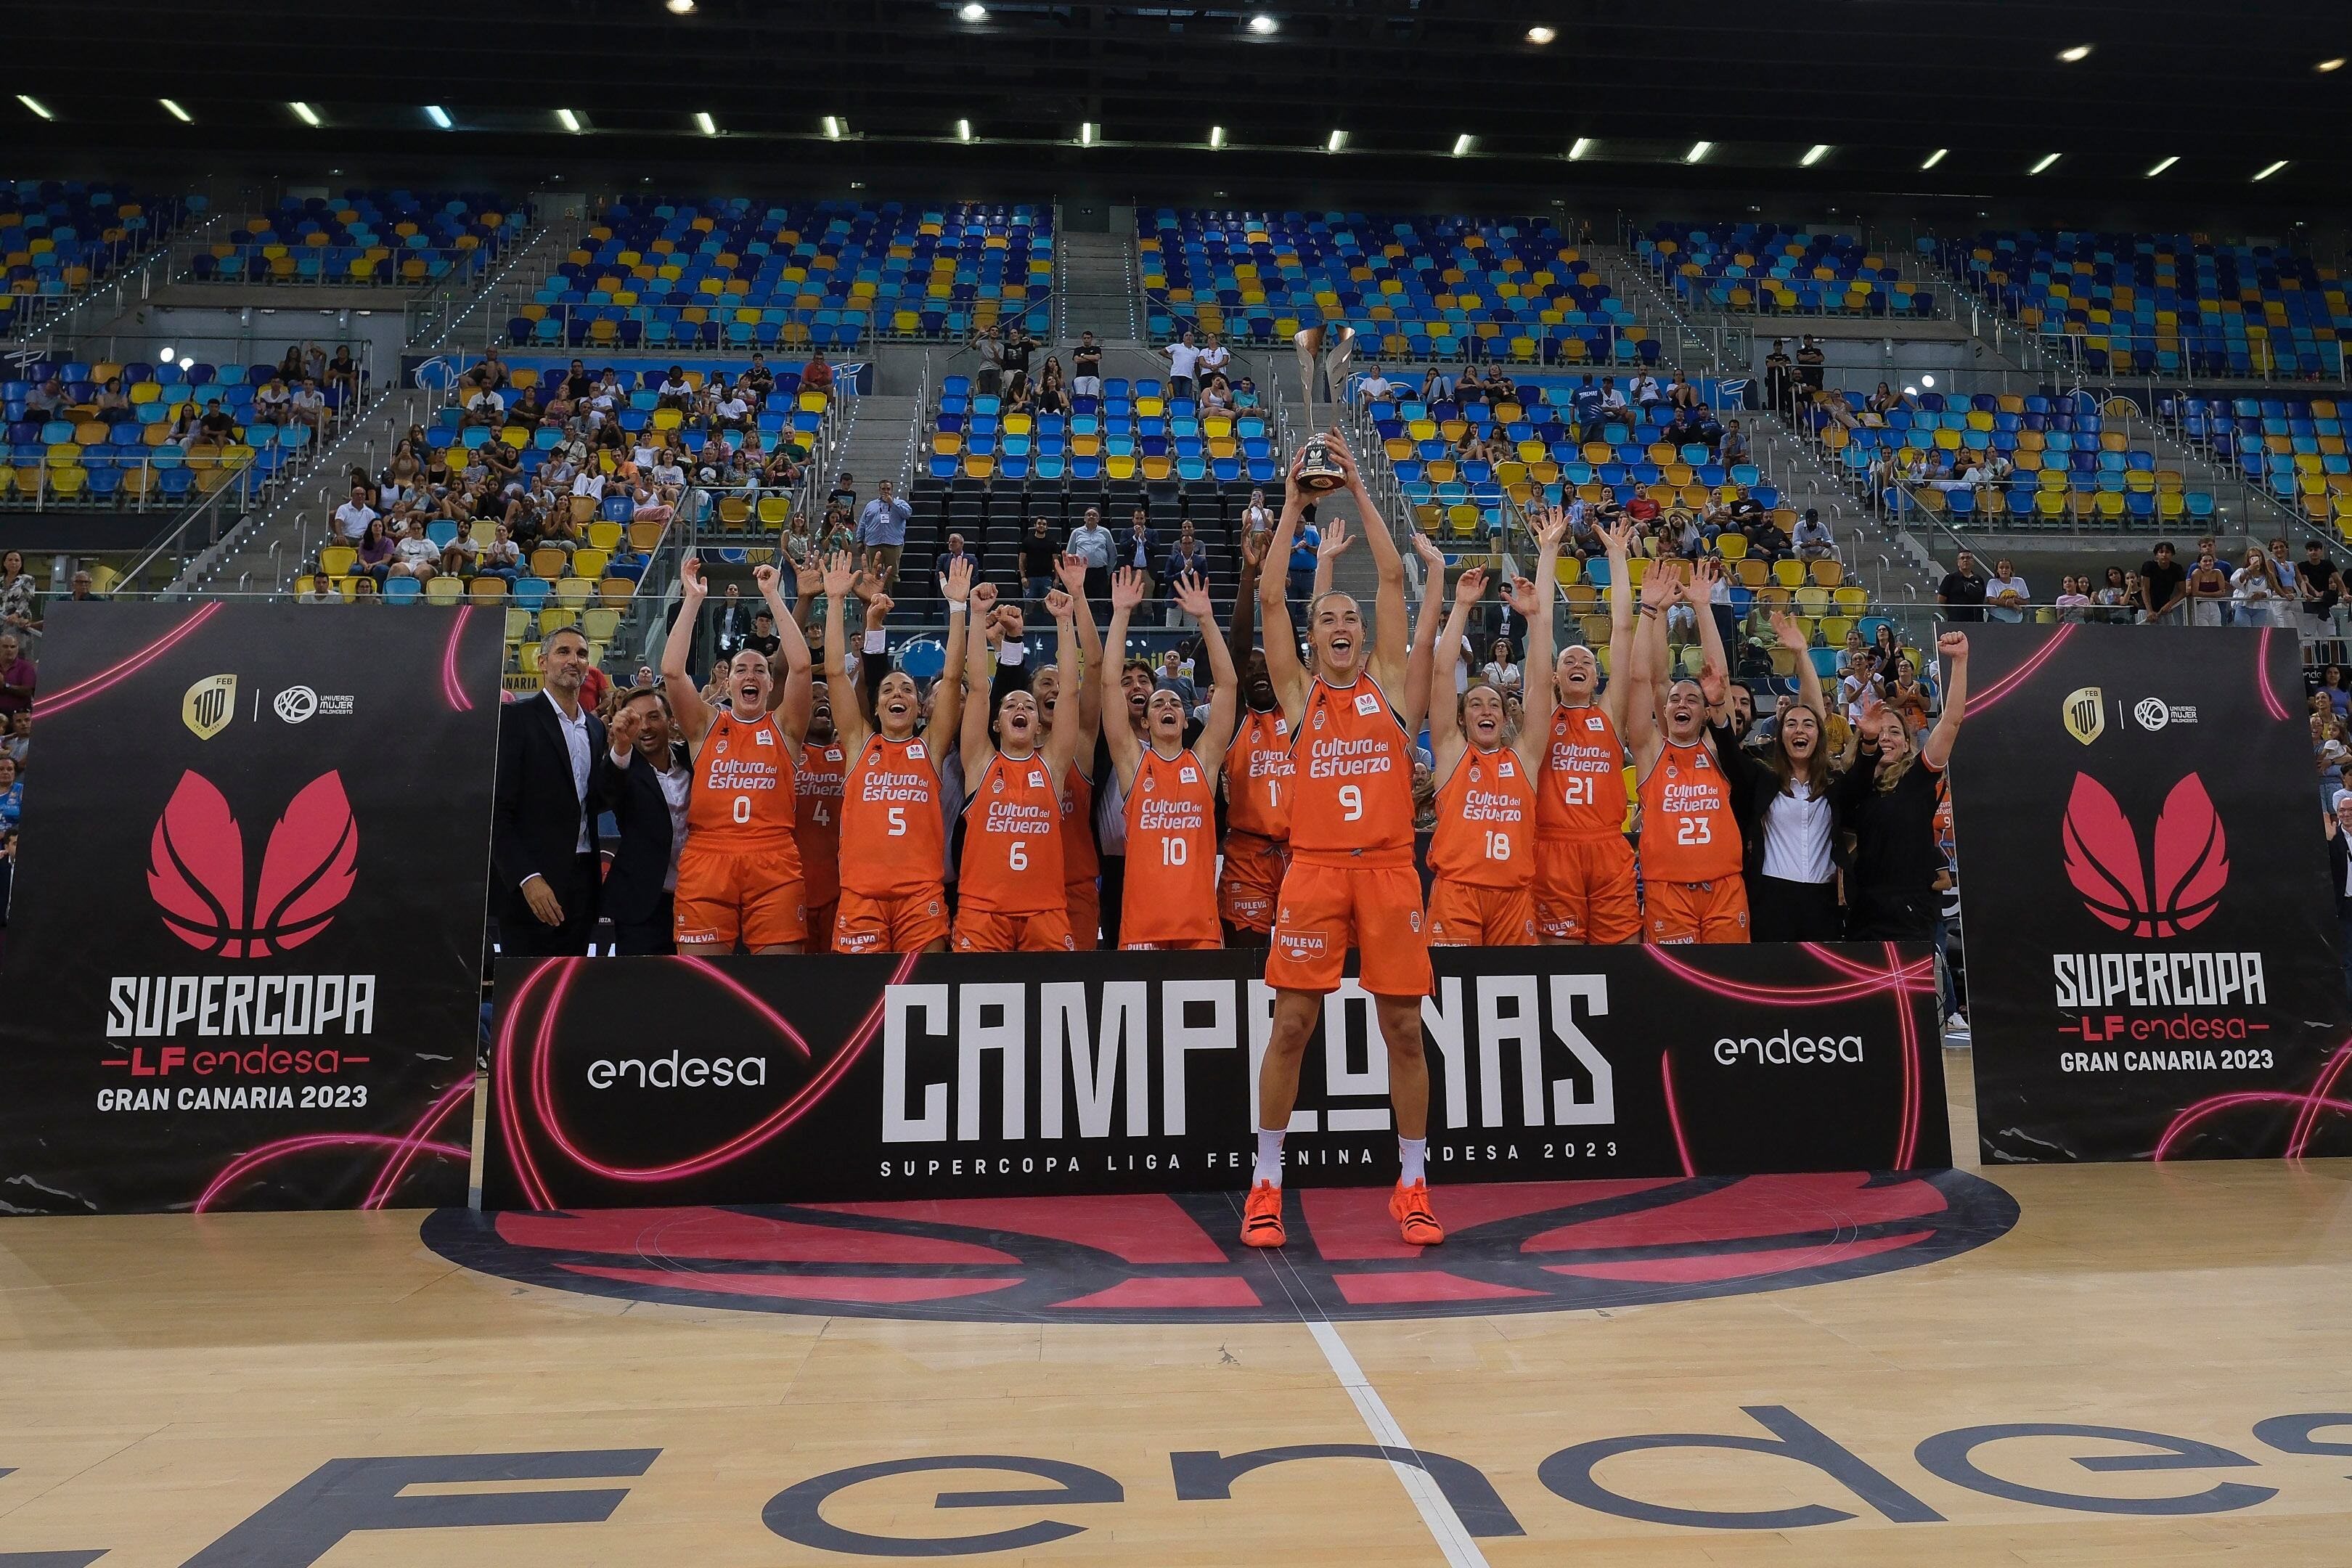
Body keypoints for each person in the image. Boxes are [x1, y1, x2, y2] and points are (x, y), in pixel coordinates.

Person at [1248, 431, 1441, 1251]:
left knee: (1403, 1030)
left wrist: (1357, 485)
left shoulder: (1392, 689)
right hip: (1316, 874)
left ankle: (1413, 1183)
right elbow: (1267, 602)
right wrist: (1295, 503)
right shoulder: (1296, 698)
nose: (1336, 621)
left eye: (1346, 615)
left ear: (1361, 636)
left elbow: (1394, 575)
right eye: (1324, 615)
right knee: (1291, 1026)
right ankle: (1265, 1183)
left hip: (1392, 872)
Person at [1424, 511, 1564, 946]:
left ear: (1506, 719)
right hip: (1456, 896)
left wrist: (1538, 616)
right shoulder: (1451, 752)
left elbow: (1541, 683)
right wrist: (1462, 607)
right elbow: (1442, 674)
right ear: (1464, 718)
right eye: (1476, 704)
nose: (1485, 709)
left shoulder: (1523, 758)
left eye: (1495, 705)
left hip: (1513, 899)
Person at [661, 558, 814, 954]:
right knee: (703, 987)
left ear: (768, 682)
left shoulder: (786, 727)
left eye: (760, 670)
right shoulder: (704, 725)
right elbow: (673, 672)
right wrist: (693, 600)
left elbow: (800, 666)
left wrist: (772, 595)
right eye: (741, 669)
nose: (751, 675)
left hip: (773, 855)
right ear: (727, 681)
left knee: (779, 988)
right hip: (708, 854)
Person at [823, 555, 971, 953]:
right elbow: (836, 673)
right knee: (859, 1009)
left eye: (906, 688)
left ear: (920, 706)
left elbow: (954, 677)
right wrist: (835, 601)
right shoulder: (858, 743)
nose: (897, 694)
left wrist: (958, 607)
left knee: (925, 1007)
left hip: (921, 897)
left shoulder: (931, 748)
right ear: (875, 707)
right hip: (860, 897)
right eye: (888, 689)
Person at [1101, 566, 1236, 948]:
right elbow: (1110, 684)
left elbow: (1227, 686)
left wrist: (1206, 619)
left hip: (1198, 926)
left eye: (1175, 702)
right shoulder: (1132, 762)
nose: (1168, 706)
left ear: (1184, 716)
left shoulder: (1204, 760)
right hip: (1144, 926)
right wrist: (1122, 614)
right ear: (1145, 718)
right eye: (1159, 702)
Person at [953, 565, 1085, 952]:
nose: (1020, 708)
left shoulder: (1053, 764)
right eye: (1011, 704)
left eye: (1028, 704)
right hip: (982, 912)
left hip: (1044, 911)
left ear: (1038, 725)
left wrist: (1065, 620)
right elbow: (978, 687)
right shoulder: (979, 762)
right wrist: (976, 617)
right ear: (997, 723)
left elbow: (1070, 696)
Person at [1624, 561, 1748, 942]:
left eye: (1692, 698)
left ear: (1706, 712)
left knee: (1729, 992)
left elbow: (1719, 681)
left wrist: (1703, 607)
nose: (1682, 702)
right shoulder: (1649, 751)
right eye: (1675, 698)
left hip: (1724, 890)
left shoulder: (1716, 748)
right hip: (1668, 892)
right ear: (1663, 712)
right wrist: (1650, 612)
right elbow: (1642, 678)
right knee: (1675, 997)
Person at [1534, 513, 1640, 944]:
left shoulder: (1610, 715)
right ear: (1554, 678)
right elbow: (1541, 628)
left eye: (1587, 663)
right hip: (1554, 847)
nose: (1578, 665)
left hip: (1608, 847)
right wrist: (1547, 552)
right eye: (1568, 662)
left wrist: (1617, 558)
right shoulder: (1541, 717)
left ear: (1597, 678)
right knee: (1560, 964)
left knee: (1625, 958)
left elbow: (1622, 628)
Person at [1718, 612, 1844, 940]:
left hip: (1822, 897)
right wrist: (1718, 704)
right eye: (1790, 724)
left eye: (1807, 727)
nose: (1800, 731)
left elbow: (1813, 713)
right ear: (1778, 734)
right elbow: (1728, 739)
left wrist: (1802, 655)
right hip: (1769, 896)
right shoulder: (1762, 771)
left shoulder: (1831, 780)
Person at [1840, 633, 1971, 943]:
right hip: (1863, 917)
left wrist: (1960, 661)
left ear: (1907, 743)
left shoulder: (1917, 779)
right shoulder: (1852, 788)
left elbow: (1952, 721)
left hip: (1913, 915)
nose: (1886, 737)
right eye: (1879, 732)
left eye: (1895, 732)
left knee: (1920, 993)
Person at [490, 627, 608, 957]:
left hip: (583, 881)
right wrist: (527, 878)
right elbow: (498, 812)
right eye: (564, 652)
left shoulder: (596, 728)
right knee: (528, 992)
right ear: (542, 662)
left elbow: (592, 802)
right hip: (533, 884)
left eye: (582, 654)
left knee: (570, 990)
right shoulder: (515, 719)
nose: (574, 661)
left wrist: (621, 757)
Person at [1220, 528, 1294, 947]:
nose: (1260, 676)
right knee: (1244, 963)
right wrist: (1250, 575)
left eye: (1267, 671)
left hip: (1300, 854)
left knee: (1309, 962)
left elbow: (1288, 650)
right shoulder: (1234, 722)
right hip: (1248, 856)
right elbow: (1239, 650)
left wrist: (1273, 582)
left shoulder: (1299, 713)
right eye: (1252, 673)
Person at [592, 686, 692, 955]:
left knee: (696, 989)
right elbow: (602, 796)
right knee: (643, 991)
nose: (645, 727)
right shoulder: (622, 767)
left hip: (697, 899)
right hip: (643, 905)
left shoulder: (693, 760)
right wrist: (621, 747)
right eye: (637, 720)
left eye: (654, 717)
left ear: (671, 721)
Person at [794, 670, 848, 955]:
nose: (822, 701)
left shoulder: (851, 754)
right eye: (814, 697)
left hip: (841, 890)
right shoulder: (787, 752)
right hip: (793, 888)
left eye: (827, 697)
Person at [856, 480, 910, 586]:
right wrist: (859, 539)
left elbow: (907, 514)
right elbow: (863, 522)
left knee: (893, 574)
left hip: (894, 544)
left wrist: (892, 503)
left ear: (892, 490)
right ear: (879, 490)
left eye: (888, 489)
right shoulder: (870, 505)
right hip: (873, 543)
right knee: (874, 574)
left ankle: (893, 600)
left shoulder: (901, 503)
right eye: (883, 489)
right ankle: (874, 600)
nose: (886, 491)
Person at [2324, 791, 2352, 1003]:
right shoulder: (2333, 839)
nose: (2345, 815)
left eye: (2350, 811)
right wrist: (2329, 842)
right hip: (2345, 906)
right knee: (2347, 960)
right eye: (2342, 811)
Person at [2140, 541, 2189, 624]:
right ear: (2156, 555)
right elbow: (2145, 589)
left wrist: (2169, 605)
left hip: (2165, 610)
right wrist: (2150, 611)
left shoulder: (2177, 568)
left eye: (2167, 552)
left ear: (2172, 554)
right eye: (2161, 552)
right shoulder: (2148, 566)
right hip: (2146, 609)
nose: (2164, 555)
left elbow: (2182, 592)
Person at [2185, 546, 2231, 627]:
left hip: (2215, 606)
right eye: (2205, 561)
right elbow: (2195, 593)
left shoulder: (2218, 573)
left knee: (2217, 630)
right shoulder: (2197, 573)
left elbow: (2222, 593)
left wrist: (2206, 594)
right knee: (2203, 632)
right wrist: (2214, 594)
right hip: (2200, 606)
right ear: (2199, 563)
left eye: (2210, 561)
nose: (2208, 563)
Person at [1936, 550, 1987, 622]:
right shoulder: (1950, 578)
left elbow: (1982, 597)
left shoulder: (1979, 579)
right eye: (1962, 558)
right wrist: (1952, 613)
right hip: (1957, 620)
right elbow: (1941, 600)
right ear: (1958, 562)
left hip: (1977, 620)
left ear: (1973, 562)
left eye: (1968, 558)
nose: (1965, 560)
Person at [1985, 559, 2029, 624]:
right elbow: (1992, 601)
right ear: (1997, 570)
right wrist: (2011, 604)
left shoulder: (2020, 581)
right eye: (2001, 568)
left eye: (2007, 568)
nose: (2004, 570)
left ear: (2011, 570)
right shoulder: (1992, 582)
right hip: (1998, 618)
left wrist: (2014, 601)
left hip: (2018, 617)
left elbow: (2027, 601)